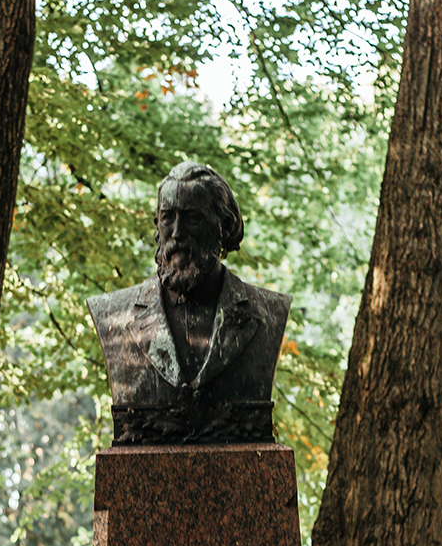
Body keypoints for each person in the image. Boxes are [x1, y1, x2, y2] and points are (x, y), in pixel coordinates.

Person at [87, 163, 291, 445]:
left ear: (224, 226)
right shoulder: (114, 313)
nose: (177, 233)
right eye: (168, 218)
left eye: (193, 218)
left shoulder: (267, 312)